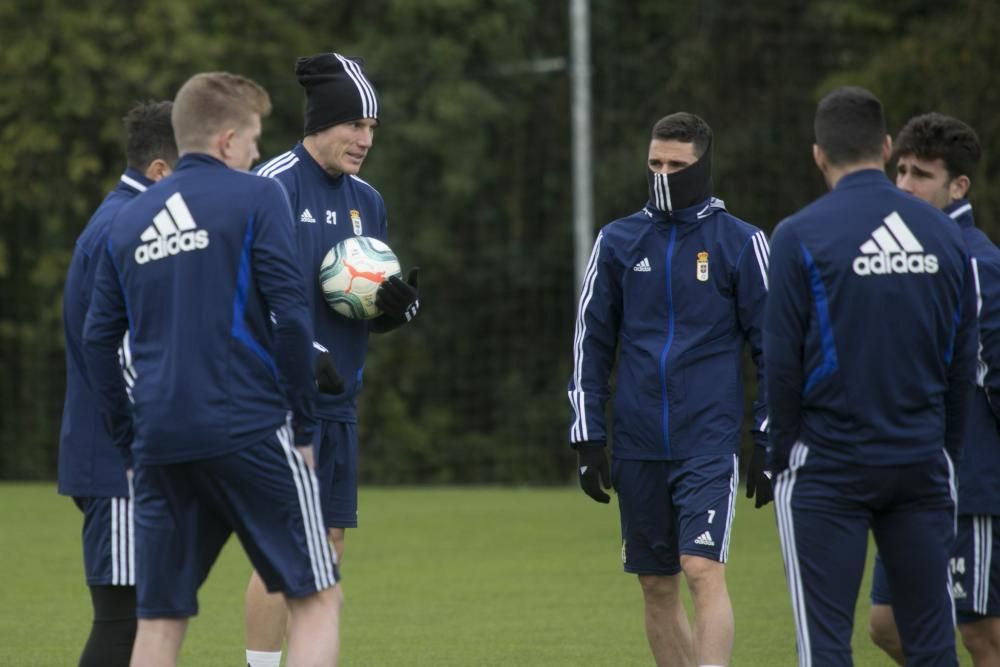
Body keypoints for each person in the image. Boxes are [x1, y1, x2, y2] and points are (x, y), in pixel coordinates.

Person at [82, 71, 341, 667]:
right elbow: (293, 319)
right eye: (252, 139)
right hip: (247, 428)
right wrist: (304, 430)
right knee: (317, 598)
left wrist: (128, 438)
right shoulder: (257, 196)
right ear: (226, 141)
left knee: (160, 620)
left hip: (159, 444)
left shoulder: (128, 220)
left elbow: (98, 341)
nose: (257, 152)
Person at [766, 87, 977, 666]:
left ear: (817, 154)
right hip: (922, 462)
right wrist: (945, 453)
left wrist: (782, 454)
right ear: (886, 148)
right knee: (933, 643)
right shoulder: (944, 236)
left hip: (830, 467)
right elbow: (962, 362)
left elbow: (780, 364)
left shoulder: (797, 235)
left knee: (826, 645)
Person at [569, 112, 771, 667]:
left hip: (707, 437)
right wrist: (587, 436)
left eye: (676, 165)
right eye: (655, 163)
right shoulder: (617, 240)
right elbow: (591, 342)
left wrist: (768, 435)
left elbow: (774, 348)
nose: (663, 174)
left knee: (701, 569)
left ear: (702, 165)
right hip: (636, 441)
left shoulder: (741, 241)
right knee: (656, 585)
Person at [244, 52, 420, 667]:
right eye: (355, 126)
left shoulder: (368, 201)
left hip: (338, 400)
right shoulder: (269, 186)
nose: (366, 140)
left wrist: (397, 309)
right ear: (322, 121)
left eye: (372, 128)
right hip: (275, 403)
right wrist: (305, 353)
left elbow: (365, 301)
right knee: (284, 548)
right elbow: (245, 296)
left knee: (327, 544)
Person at [867, 113, 1000, 666]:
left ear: (958, 186)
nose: (904, 185)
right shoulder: (900, 254)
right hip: (909, 475)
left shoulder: (979, 265)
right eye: (899, 170)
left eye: (921, 174)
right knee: (887, 625)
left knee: (981, 633)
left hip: (971, 483)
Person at [57, 100, 176, 667]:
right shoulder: (122, 228)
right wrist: (141, 445)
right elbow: (116, 350)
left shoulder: (125, 219)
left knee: (142, 620)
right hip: (119, 461)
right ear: (159, 171)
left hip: (118, 456)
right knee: (122, 625)